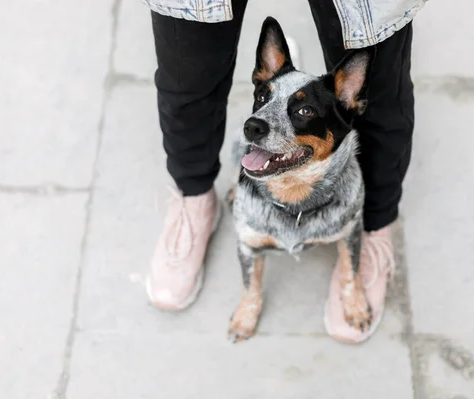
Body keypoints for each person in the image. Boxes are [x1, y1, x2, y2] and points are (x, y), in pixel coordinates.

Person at [145, 0, 424, 343]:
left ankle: (374, 225)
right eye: (264, 96)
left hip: (339, 194)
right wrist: (251, 300)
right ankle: (194, 199)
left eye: (304, 109)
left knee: (377, 58)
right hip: (257, 203)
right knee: (187, 65)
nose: (258, 121)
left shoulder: (343, 102)